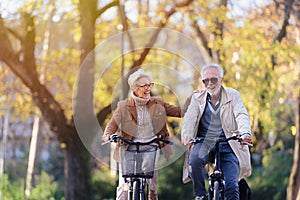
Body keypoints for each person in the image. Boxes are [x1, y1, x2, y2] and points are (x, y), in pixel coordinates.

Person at [102, 68, 181, 200]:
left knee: (151, 169)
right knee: (124, 186)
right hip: (128, 145)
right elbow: (112, 125)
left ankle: (152, 192)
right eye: (144, 85)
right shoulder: (123, 106)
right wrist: (108, 136)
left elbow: (179, 111)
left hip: (150, 144)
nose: (148, 88)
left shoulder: (158, 102)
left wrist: (195, 102)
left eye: (150, 85)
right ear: (134, 88)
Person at [181, 63, 252, 200]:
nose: (209, 83)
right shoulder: (198, 98)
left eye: (213, 79)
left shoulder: (233, 95)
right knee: (194, 161)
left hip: (229, 143)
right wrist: (187, 135)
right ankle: (200, 195)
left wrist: (245, 133)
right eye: (205, 80)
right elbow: (189, 118)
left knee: (232, 185)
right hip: (204, 142)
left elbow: (241, 114)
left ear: (221, 80)